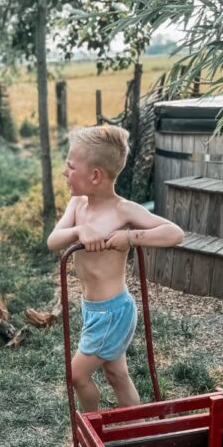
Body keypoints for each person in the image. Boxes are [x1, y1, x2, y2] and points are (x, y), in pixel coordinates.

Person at [47, 125, 184, 411]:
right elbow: (53, 241)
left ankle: (92, 430)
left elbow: (175, 233)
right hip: (93, 309)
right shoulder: (77, 206)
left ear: (94, 175)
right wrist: (78, 231)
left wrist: (130, 238)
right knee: (117, 375)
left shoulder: (123, 210)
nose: (64, 172)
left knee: (77, 375)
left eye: (71, 167)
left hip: (113, 312)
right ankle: (136, 432)